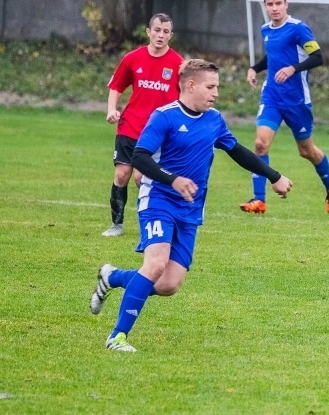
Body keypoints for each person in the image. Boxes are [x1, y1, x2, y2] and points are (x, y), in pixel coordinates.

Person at [89, 59, 293, 352]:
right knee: (156, 264)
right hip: (158, 200)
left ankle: (113, 276)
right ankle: (117, 337)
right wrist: (172, 180)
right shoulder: (164, 117)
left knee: (168, 284)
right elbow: (141, 157)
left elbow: (237, 152)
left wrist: (274, 176)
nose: (216, 93)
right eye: (211, 87)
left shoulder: (214, 120)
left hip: (190, 208)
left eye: (217, 87)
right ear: (191, 85)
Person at [239, 0, 329, 215]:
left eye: (278, 4)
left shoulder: (298, 29)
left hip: (297, 101)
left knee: (307, 151)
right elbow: (272, 56)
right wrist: (254, 68)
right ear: (265, 6)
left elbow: (318, 57)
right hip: (272, 96)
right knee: (260, 144)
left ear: (286, 4)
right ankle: (259, 200)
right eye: (270, 4)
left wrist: (293, 68)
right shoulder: (266, 30)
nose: (274, 8)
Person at [102, 13, 184, 237]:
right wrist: (112, 109)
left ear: (171, 35)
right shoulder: (132, 58)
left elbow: (186, 97)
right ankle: (116, 224)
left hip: (157, 132)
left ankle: (150, 222)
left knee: (141, 178)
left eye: (165, 31)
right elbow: (116, 86)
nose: (160, 35)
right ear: (148, 32)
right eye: (157, 30)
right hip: (130, 126)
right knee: (121, 175)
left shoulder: (178, 64)